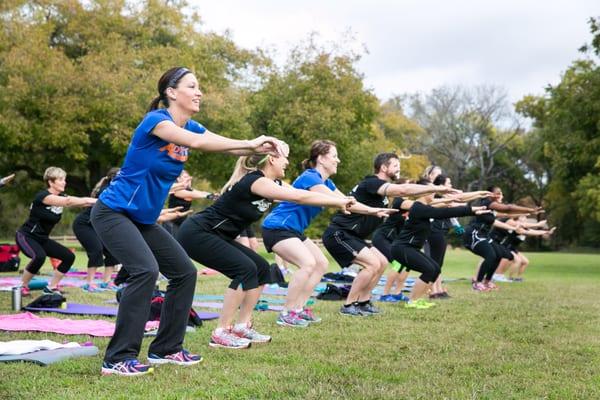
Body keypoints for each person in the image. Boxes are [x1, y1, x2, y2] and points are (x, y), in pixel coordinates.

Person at [91, 66, 284, 376]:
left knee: (184, 272)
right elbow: (199, 143)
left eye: (199, 87)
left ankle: (166, 349)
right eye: (192, 86)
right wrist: (250, 142)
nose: (199, 92)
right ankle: (117, 359)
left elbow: (219, 142)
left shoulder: (191, 125)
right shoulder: (157, 121)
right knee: (145, 270)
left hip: (142, 219)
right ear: (171, 92)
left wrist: (254, 147)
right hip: (114, 212)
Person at [177, 151, 353, 348]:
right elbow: (300, 196)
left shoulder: (272, 184)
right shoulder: (257, 181)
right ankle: (221, 331)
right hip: (198, 233)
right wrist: (337, 202)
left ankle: (242, 326)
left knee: (261, 267)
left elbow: (305, 195)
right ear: (271, 159)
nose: (287, 162)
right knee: (244, 269)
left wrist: (357, 206)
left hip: (216, 235)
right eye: (284, 157)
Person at [262, 140, 396, 327]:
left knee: (321, 263)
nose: (338, 160)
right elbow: (338, 200)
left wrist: (373, 211)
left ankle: (298, 309)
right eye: (334, 156)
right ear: (322, 159)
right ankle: (286, 313)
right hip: (278, 227)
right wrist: (364, 208)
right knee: (307, 263)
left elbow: (348, 201)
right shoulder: (310, 178)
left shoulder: (328, 182)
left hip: (293, 230)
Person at [322, 153, 459, 317]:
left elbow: (414, 197)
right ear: (383, 167)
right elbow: (403, 189)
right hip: (339, 233)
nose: (399, 169)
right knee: (372, 264)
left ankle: (364, 302)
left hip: (354, 236)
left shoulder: (385, 192)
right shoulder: (372, 182)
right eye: (395, 165)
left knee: (381, 262)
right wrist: (436, 187)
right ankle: (349, 305)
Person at [391, 179, 493, 308]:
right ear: (423, 193)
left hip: (411, 248)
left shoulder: (425, 207)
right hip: (402, 248)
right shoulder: (419, 208)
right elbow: (444, 212)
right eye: (431, 191)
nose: (434, 193)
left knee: (435, 269)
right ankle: (412, 301)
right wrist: (471, 210)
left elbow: (452, 204)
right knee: (428, 270)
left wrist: (476, 202)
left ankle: (418, 300)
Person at [16, 167, 96, 296]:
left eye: (64, 179)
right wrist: (97, 201)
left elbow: (83, 203)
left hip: (42, 238)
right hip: (26, 236)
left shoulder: (62, 196)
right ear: (51, 182)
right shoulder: (43, 196)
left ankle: (51, 287)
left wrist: (103, 202)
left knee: (68, 257)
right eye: (60, 179)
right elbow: (69, 201)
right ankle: (22, 286)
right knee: (39, 256)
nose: (64, 182)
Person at [464, 186, 541, 291]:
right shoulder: (487, 203)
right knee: (490, 255)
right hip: (474, 234)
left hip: (483, 235)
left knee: (499, 254)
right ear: (490, 195)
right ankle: (477, 283)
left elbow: (506, 213)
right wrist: (530, 210)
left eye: (501, 193)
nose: (501, 196)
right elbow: (508, 208)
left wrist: (525, 213)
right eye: (498, 193)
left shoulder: (491, 208)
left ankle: (487, 282)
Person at [72, 168, 120, 292]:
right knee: (96, 250)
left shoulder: (117, 189)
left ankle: (106, 282)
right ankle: (89, 283)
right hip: (84, 225)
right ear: (114, 178)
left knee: (112, 251)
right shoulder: (106, 190)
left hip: (97, 226)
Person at [164, 170, 216, 236]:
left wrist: (214, 195)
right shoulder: (177, 191)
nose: (188, 180)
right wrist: (209, 196)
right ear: (178, 179)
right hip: (171, 224)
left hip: (180, 224)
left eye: (189, 178)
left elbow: (200, 192)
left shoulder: (190, 190)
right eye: (185, 177)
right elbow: (192, 194)